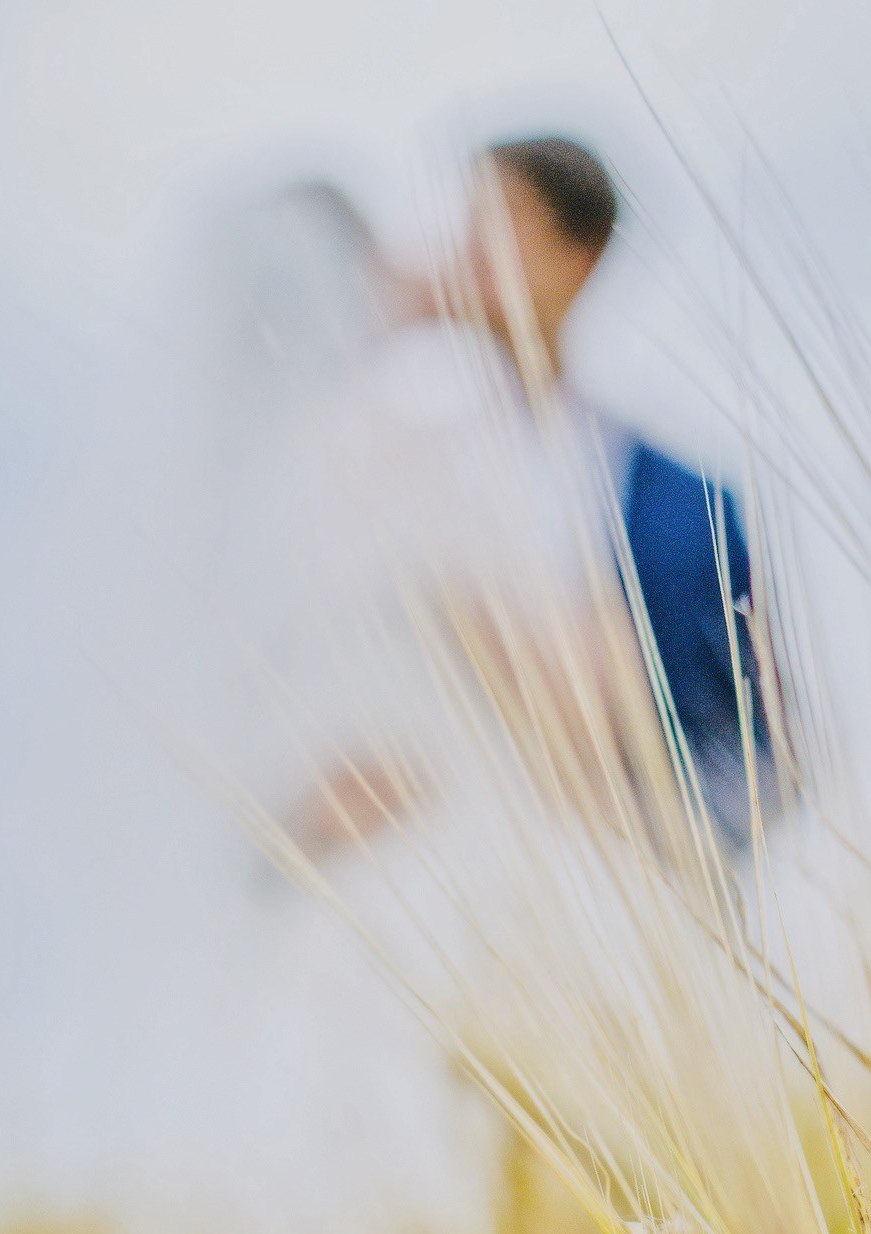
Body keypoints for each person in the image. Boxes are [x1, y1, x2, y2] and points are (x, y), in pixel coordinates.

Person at [291, 135, 783, 858]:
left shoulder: (688, 503)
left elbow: (755, 749)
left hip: (626, 883)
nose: (472, 249)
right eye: (467, 221)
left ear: (579, 255)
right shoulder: (388, 452)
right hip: (408, 863)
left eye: (506, 221)